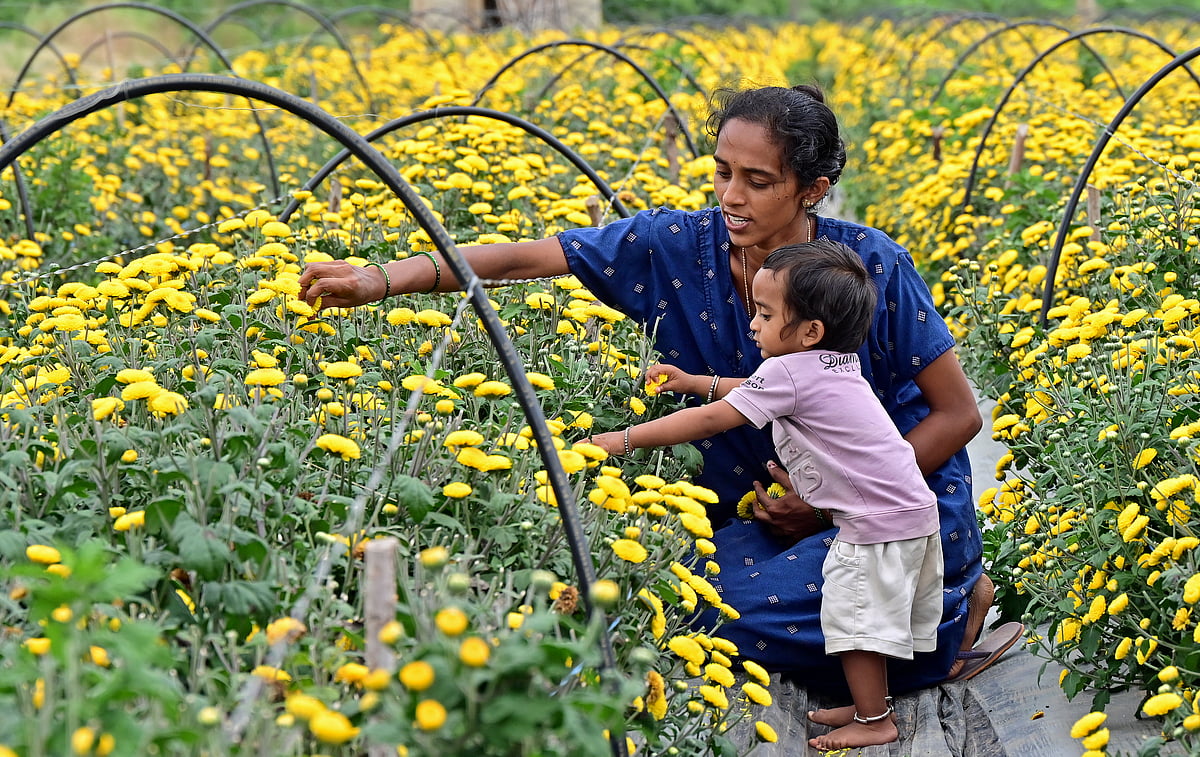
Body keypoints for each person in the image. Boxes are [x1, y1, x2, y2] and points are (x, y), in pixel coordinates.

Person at [297, 83, 1015, 697]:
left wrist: (829, 499)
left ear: (813, 190)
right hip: (762, 517)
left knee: (743, 618)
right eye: (722, 171)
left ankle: (954, 608)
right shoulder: (676, 245)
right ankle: (917, 623)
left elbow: (958, 415)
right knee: (656, 600)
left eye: (758, 181)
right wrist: (380, 278)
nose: (731, 196)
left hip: (893, 511)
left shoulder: (868, 265)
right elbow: (525, 258)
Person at [588, 240, 942, 749]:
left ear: (809, 332)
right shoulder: (836, 363)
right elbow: (756, 386)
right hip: (909, 512)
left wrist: (620, 441)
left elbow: (716, 418)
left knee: (855, 623)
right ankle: (870, 704)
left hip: (875, 526)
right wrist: (696, 380)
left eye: (766, 313)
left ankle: (875, 721)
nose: (752, 323)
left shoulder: (789, 372)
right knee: (867, 619)